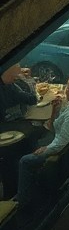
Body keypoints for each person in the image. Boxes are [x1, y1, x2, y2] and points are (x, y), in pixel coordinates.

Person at [16, 75, 69, 213]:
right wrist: (56, 110)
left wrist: (45, 149)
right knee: (32, 138)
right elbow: (56, 125)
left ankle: (23, 201)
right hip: (63, 139)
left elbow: (60, 144)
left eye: (68, 87)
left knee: (25, 160)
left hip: (60, 149)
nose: (65, 90)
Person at [0, 65, 42, 198]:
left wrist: (27, 80)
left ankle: (19, 192)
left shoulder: (10, 86)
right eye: (14, 76)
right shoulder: (9, 87)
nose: (16, 78)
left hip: (9, 131)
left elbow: (31, 99)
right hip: (7, 132)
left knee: (26, 145)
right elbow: (31, 99)